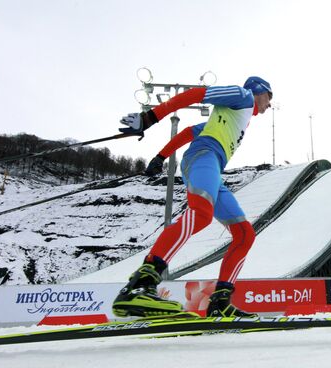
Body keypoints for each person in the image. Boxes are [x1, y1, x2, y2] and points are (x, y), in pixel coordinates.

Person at [112, 76, 273, 318]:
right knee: (201, 215)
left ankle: (220, 302)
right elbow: (198, 94)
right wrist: (150, 117)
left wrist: (159, 157)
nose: (269, 104)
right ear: (258, 90)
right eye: (269, 96)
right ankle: (139, 286)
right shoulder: (243, 96)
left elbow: (191, 131)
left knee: (244, 234)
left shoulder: (235, 117)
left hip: (212, 166)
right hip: (203, 156)